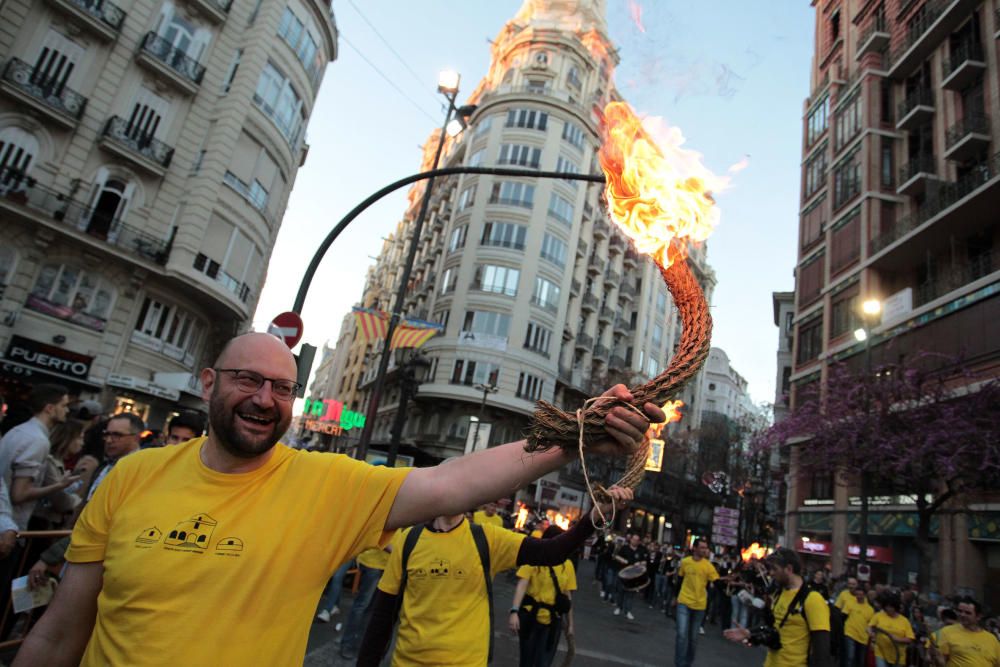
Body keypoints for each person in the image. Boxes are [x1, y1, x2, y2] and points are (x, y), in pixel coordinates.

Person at [15, 332, 662, 666]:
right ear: (209, 382)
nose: (266, 398)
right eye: (248, 379)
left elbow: (454, 480)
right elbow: (60, 632)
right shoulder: (133, 476)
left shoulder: (323, 485)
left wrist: (573, 435)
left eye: (282, 386)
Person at [359, 485, 631, 666]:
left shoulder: (487, 539)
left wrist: (592, 517)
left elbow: (552, 552)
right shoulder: (409, 541)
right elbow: (382, 617)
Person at [724, 547, 833, 667]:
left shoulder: (813, 600)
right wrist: (750, 633)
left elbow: (822, 650)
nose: (771, 573)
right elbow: (774, 627)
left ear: (789, 569)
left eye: (775, 569)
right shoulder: (778, 593)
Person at [0, 384, 73, 531]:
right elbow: (19, 494)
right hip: (10, 525)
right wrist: (59, 485)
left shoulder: (18, 430)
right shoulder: (37, 440)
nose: (67, 410)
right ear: (50, 408)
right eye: (64, 405)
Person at [510, 524, 577, 667]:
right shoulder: (534, 556)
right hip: (530, 618)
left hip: (553, 622)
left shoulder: (568, 565)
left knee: (543, 663)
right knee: (526, 662)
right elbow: (522, 584)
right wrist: (514, 611)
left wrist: (570, 624)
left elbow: (568, 596)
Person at [338, 545, 391, 659]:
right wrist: (397, 552)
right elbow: (378, 536)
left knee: (372, 608)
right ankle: (348, 644)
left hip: (387, 564)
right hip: (373, 563)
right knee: (362, 606)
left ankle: (359, 644)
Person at [674, 539, 720, 666]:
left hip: (699, 605)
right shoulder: (685, 562)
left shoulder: (708, 566)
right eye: (702, 547)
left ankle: (688, 662)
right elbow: (679, 580)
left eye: (706, 548)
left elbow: (717, 582)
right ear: (694, 548)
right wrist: (674, 598)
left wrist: (727, 583)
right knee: (682, 635)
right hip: (684, 601)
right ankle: (679, 663)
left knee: (693, 638)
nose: (704, 550)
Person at [83, 413, 144, 501]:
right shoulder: (104, 465)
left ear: (136, 438)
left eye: (117, 435)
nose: (109, 440)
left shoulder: (139, 471)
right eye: (107, 434)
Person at [931, 597, 1000, 667]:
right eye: (960, 611)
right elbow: (939, 661)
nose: (962, 615)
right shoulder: (945, 632)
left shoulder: (992, 639)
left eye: (968, 613)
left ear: (978, 616)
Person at [868, 590, 914, 667]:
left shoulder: (904, 621)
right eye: (886, 606)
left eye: (891, 607)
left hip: (898, 656)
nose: (888, 609)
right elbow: (870, 627)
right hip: (881, 652)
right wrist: (871, 633)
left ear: (895, 607)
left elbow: (910, 638)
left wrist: (897, 639)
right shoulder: (879, 616)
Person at [613, 532, 646, 620]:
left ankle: (628, 611)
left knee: (630, 594)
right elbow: (617, 556)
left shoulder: (641, 550)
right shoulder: (625, 548)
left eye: (637, 540)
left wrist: (640, 564)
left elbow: (645, 561)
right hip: (623, 573)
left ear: (639, 541)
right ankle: (618, 607)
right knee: (621, 591)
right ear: (631, 540)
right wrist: (623, 560)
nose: (635, 541)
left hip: (634, 576)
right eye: (634, 539)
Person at [842, 582, 874, 667]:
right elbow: (843, 616)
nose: (859, 596)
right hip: (850, 633)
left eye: (861, 594)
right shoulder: (850, 603)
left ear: (864, 595)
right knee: (850, 657)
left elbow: (871, 624)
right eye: (857, 594)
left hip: (863, 636)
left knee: (861, 660)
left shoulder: (870, 609)